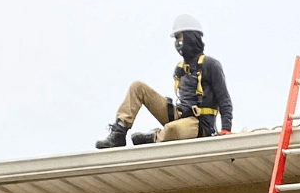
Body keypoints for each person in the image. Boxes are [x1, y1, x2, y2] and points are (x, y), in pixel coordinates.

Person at [96, 13, 232, 150]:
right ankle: (119, 133)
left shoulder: (210, 65)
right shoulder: (180, 69)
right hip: (179, 116)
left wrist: (226, 128)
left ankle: (155, 137)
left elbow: (224, 99)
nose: (177, 43)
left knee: (173, 130)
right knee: (137, 87)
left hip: (200, 124)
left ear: (190, 37)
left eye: (180, 37)